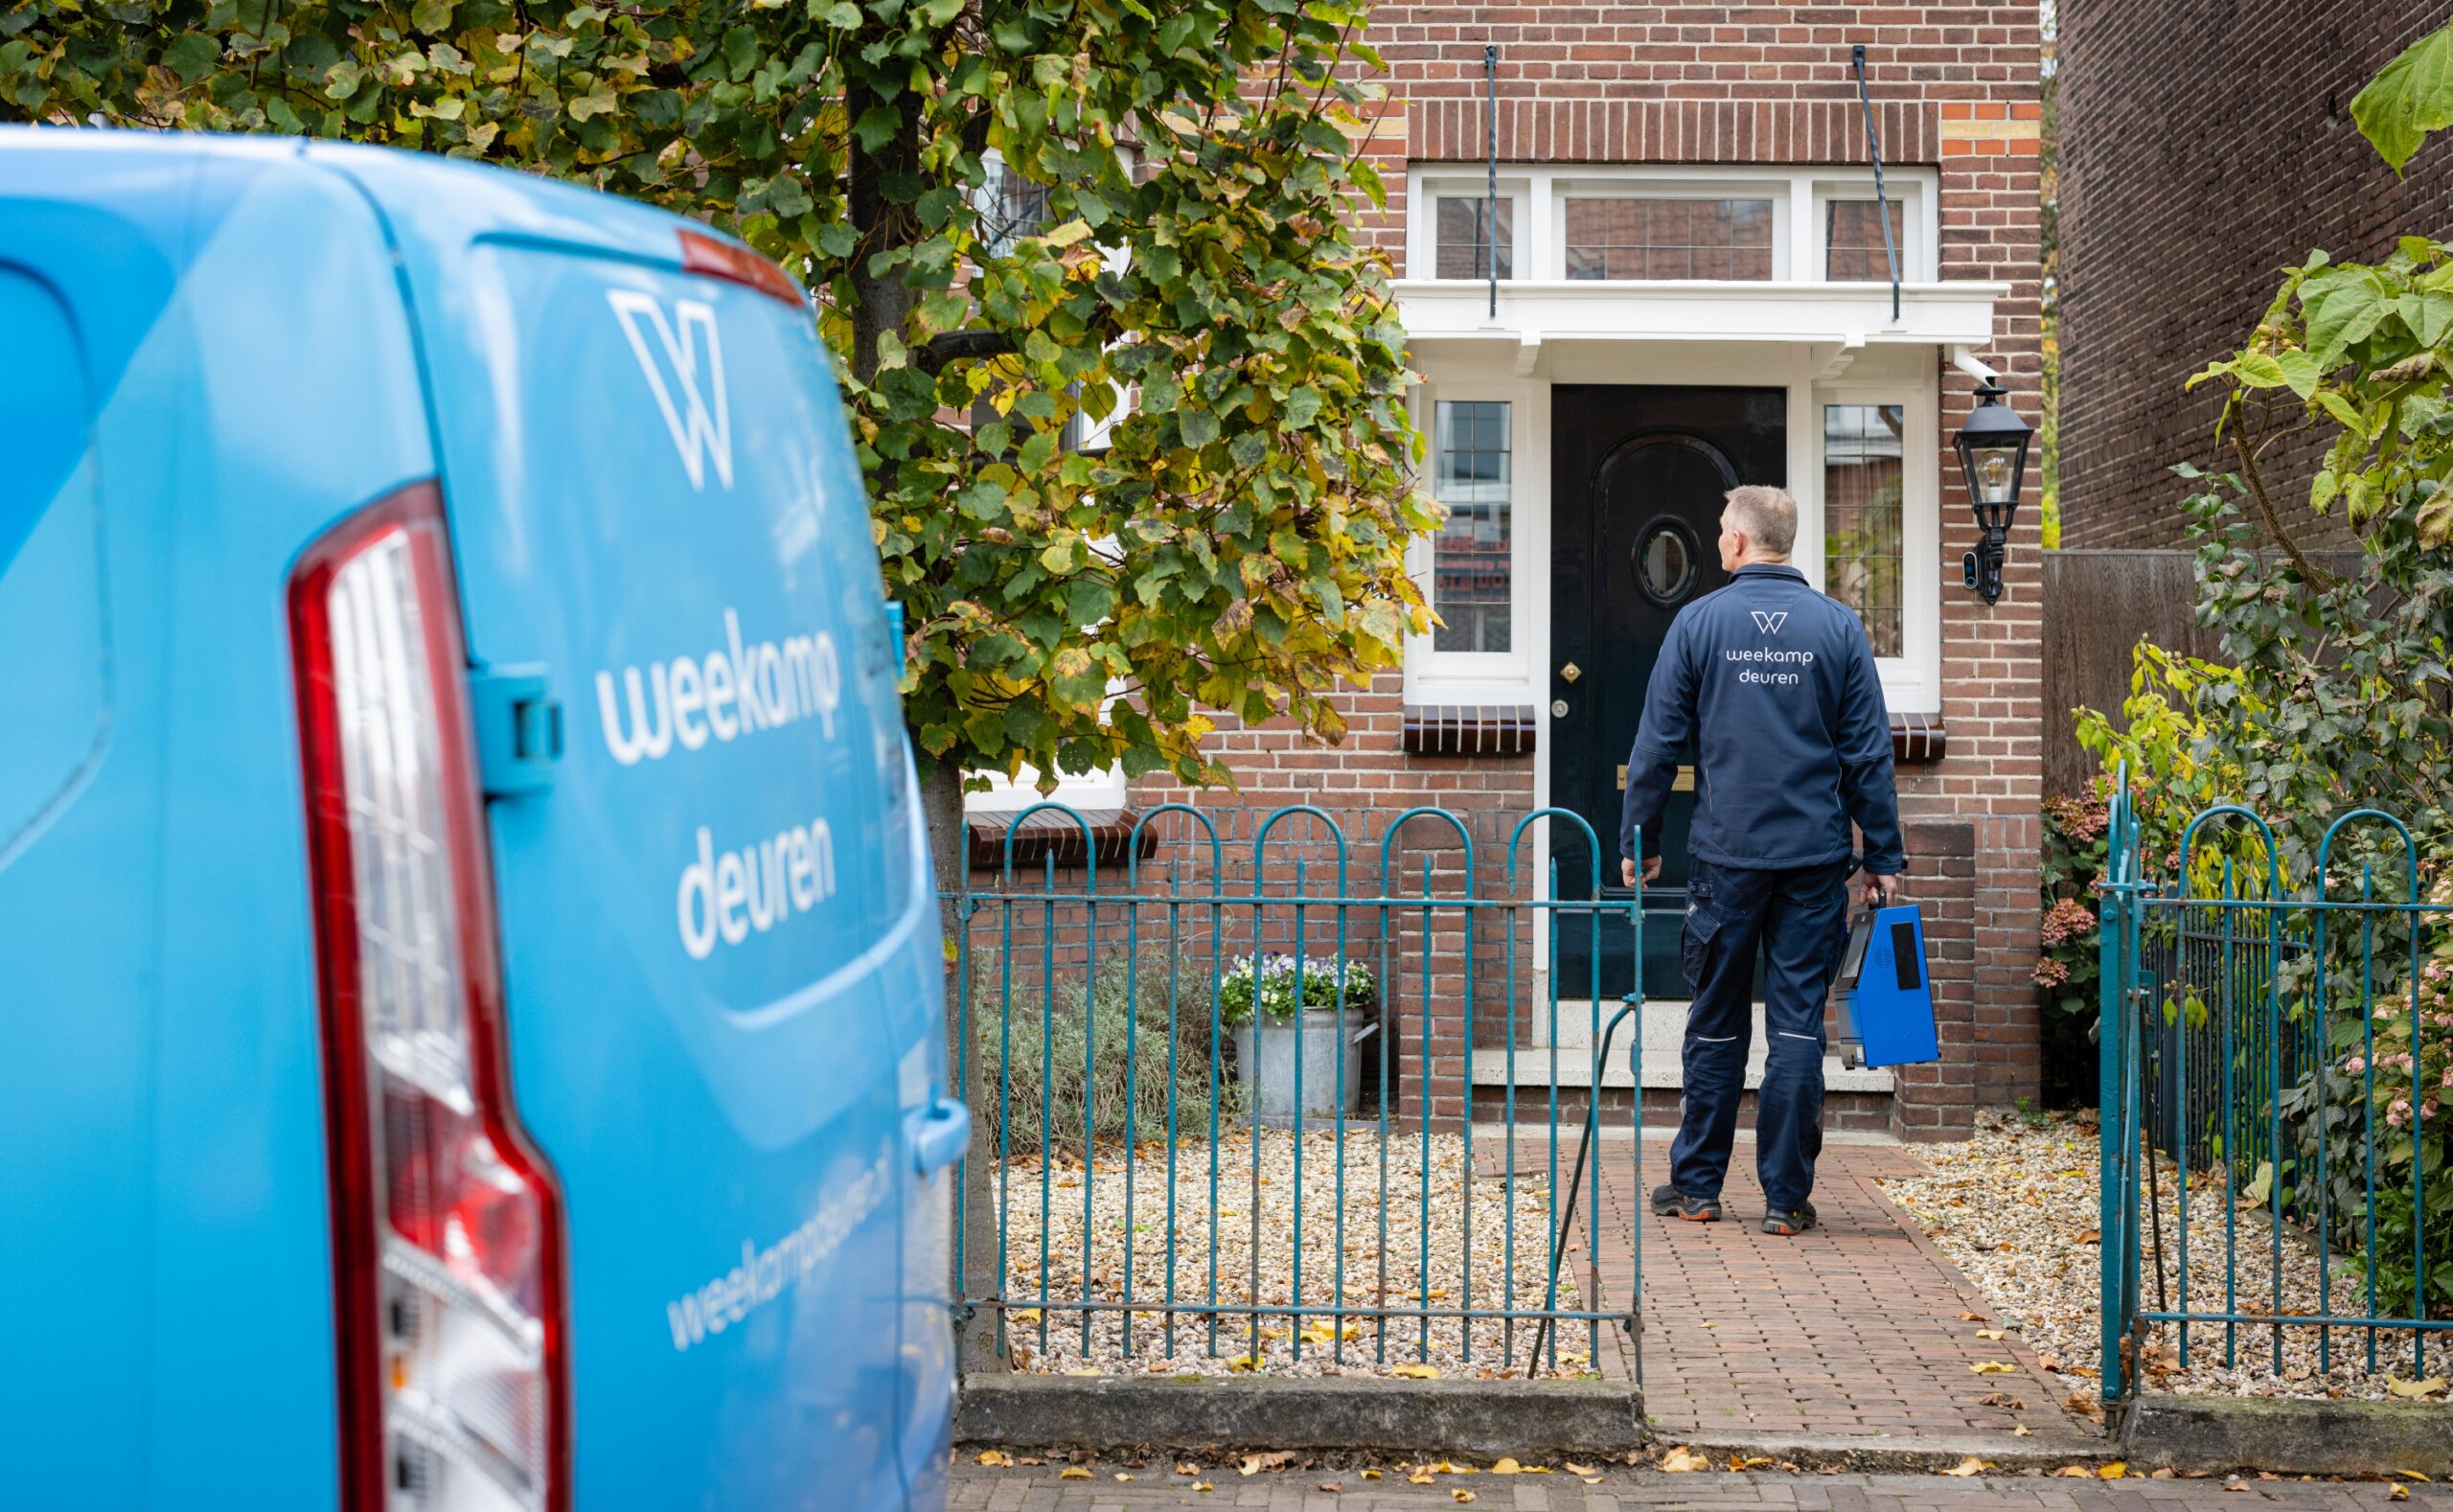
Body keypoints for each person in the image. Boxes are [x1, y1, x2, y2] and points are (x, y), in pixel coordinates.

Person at [1618, 485, 1903, 1237]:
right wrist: (1881, 854)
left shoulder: (1699, 624)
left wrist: (1639, 840)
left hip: (1725, 857)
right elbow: (1868, 753)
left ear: (1740, 543)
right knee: (1798, 1028)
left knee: (1714, 1022)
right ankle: (1785, 1198)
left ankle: (1699, 1188)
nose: (1716, 542)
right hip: (1814, 860)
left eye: (1720, 532)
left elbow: (1656, 747)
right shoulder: (1839, 629)